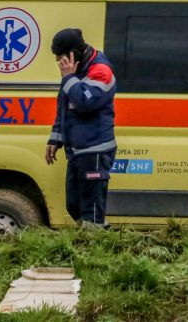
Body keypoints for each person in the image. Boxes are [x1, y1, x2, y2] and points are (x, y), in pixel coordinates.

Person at [45, 28, 117, 228]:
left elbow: (86, 102)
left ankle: (93, 249)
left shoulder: (100, 71)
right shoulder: (75, 71)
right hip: (77, 149)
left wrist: (68, 78)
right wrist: (55, 139)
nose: (59, 62)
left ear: (73, 54)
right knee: (74, 205)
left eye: (61, 57)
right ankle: (99, 234)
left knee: (90, 209)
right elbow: (64, 107)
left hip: (95, 149)